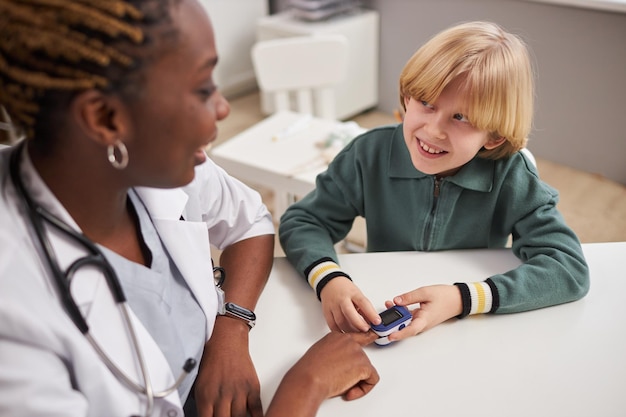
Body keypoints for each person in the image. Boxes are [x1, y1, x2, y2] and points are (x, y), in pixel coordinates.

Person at [0, 1, 379, 416]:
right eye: (202, 89)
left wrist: (230, 331)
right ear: (106, 118)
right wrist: (306, 385)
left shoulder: (142, 162)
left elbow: (249, 220)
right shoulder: (14, 317)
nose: (223, 108)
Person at [279, 21, 590, 340]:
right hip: (386, 300)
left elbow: (568, 268)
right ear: (407, 97)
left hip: (468, 325)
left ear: (494, 137)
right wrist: (329, 278)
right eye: (427, 103)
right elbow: (303, 220)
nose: (434, 130)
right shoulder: (368, 154)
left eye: (462, 118)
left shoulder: (512, 176)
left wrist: (461, 298)